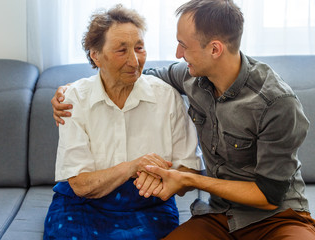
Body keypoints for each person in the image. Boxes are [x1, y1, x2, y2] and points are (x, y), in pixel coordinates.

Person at [52, 0, 315, 239]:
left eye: (184, 45)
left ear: (214, 49)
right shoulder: (190, 77)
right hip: (220, 216)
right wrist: (71, 91)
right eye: (122, 50)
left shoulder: (277, 103)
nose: (177, 53)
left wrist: (189, 179)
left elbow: (269, 196)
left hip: (277, 217)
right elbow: (133, 75)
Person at [44, 4, 204, 240]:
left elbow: (190, 168)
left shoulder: (166, 96)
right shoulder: (73, 100)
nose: (134, 60)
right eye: (121, 50)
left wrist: (165, 178)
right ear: (95, 55)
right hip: (82, 204)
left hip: (149, 203)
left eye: (139, 48)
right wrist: (134, 166)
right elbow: (80, 185)